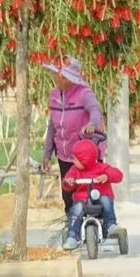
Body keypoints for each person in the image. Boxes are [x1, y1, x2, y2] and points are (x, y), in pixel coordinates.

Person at [40, 56, 104, 213]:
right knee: (68, 196)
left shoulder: (84, 94)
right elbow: (52, 127)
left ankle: (97, 223)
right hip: (65, 156)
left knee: (91, 193)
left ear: (66, 77)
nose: (54, 77)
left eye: (57, 74)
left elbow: (94, 111)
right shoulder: (54, 96)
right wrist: (47, 154)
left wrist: (91, 124)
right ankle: (72, 227)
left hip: (87, 156)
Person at [61, 139, 123, 251]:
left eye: (76, 159)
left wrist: (107, 176)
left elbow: (118, 174)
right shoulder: (74, 170)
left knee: (106, 200)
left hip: (99, 196)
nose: (73, 161)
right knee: (76, 209)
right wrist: (68, 182)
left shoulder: (101, 168)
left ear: (85, 160)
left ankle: (110, 224)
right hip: (82, 199)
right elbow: (66, 183)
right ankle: (72, 236)